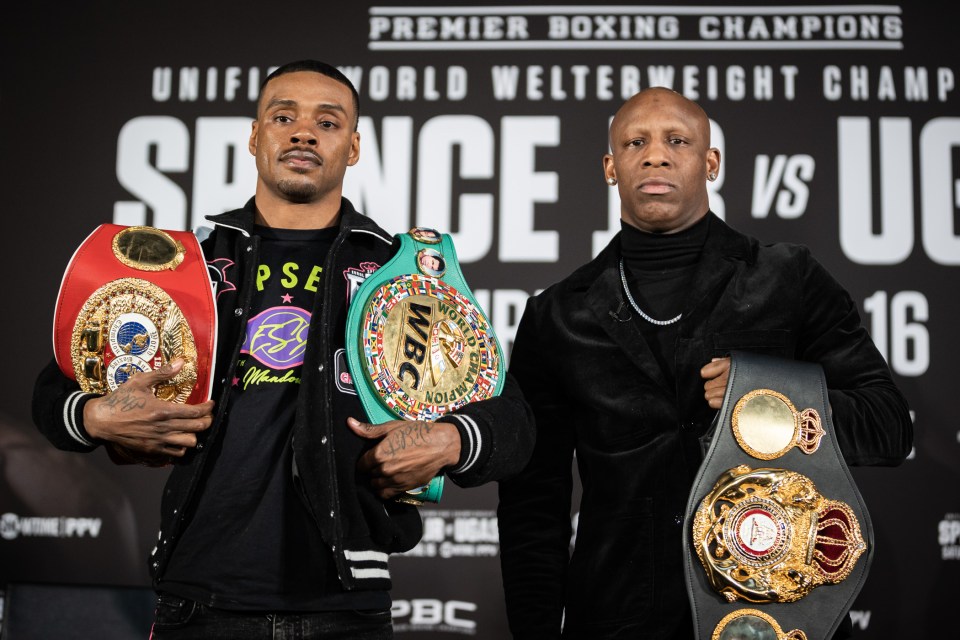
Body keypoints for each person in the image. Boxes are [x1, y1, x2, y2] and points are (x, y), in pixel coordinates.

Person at [32, 59, 533, 639]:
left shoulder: (400, 273)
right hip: (198, 599)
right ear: (253, 135)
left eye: (327, 121)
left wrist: (450, 439)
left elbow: (513, 421)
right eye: (283, 116)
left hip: (346, 606)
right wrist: (97, 414)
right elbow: (58, 388)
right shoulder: (192, 264)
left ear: (353, 147)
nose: (303, 132)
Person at [496, 87, 913, 639]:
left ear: (711, 162)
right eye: (635, 142)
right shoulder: (557, 314)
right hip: (619, 615)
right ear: (610, 167)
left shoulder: (788, 278)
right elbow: (533, 505)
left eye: (677, 140)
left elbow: (888, 424)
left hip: (774, 611)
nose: (655, 155)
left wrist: (766, 402)